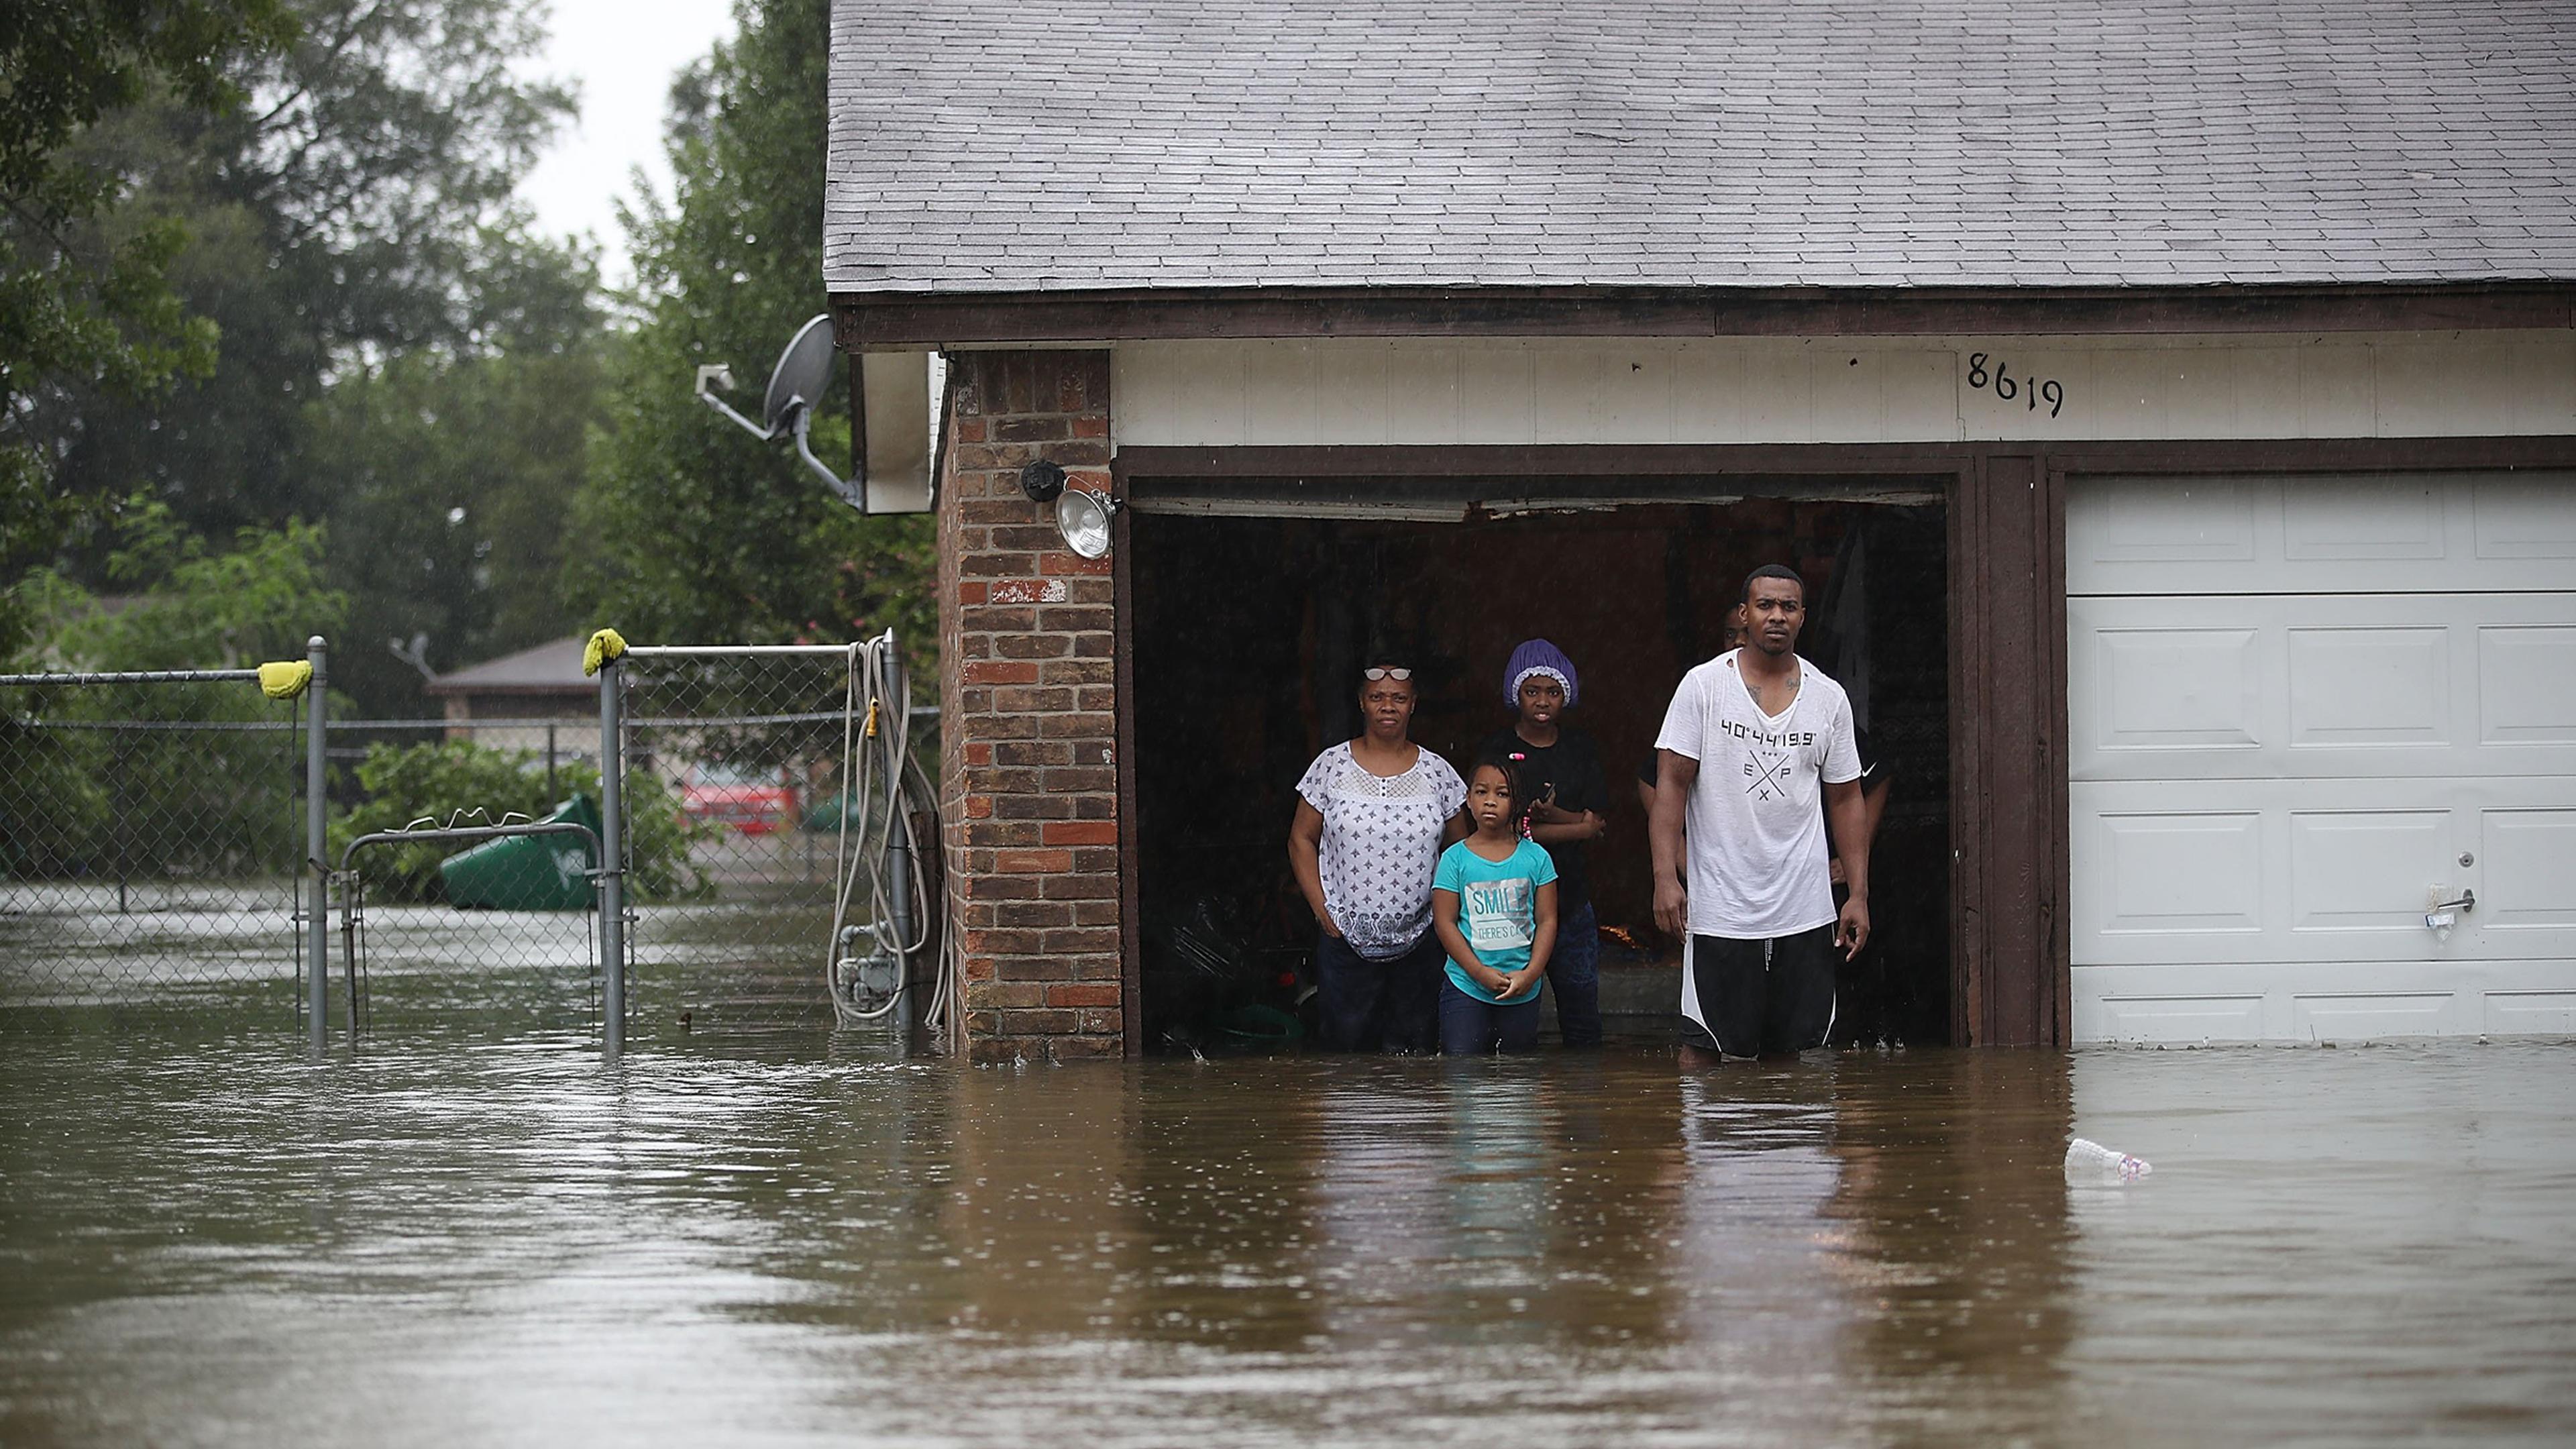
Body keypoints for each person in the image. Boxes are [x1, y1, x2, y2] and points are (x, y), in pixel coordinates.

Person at [1649, 565, 1871, 1060]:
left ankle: (1794, 1141)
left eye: (1788, 607)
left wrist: (1857, 893)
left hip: (1806, 907)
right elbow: (1671, 787)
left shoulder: (1828, 697)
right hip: (1722, 908)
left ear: (1803, 618)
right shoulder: (1703, 687)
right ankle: (1709, 1140)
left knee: (1803, 1052)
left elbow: (1846, 798)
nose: (1777, 617)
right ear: (1744, 615)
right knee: (1705, 1050)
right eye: (1765, 606)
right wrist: (1666, 877)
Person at [1289, 653, 1466, 1052]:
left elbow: (1461, 851)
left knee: (1414, 1059)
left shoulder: (1439, 772)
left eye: (1399, 698)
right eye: (1377, 697)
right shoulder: (1330, 766)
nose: (1388, 706)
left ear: (1414, 704)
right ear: (1361, 702)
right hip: (1344, 941)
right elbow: (1301, 839)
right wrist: (1322, 910)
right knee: (1346, 1060)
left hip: (1422, 943)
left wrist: (1445, 917)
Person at [1477, 639, 1607, 1046]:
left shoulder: (1580, 748)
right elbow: (1506, 831)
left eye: (1552, 692)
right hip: (1510, 902)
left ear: (1566, 695)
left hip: (1569, 899)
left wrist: (1554, 818)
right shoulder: (1499, 751)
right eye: (1532, 691)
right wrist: (1576, 827)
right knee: (1508, 1018)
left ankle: (1582, 1103)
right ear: (1515, 694)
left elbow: (1599, 823)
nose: (1542, 701)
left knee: (1582, 1017)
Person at [1431, 755, 1558, 1054]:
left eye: (1502, 794)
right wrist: (1478, 972)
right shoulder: (1454, 859)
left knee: (1519, 1079)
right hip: (1467, 986)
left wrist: (1531, 974)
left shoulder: (1537, 858)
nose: (1490, 801)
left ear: (1517, 803)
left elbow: (1548, 920)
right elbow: (1445, 923)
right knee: (1462, 1072)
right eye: (1481, 792)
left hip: (1522, 988)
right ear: (1468, 799)